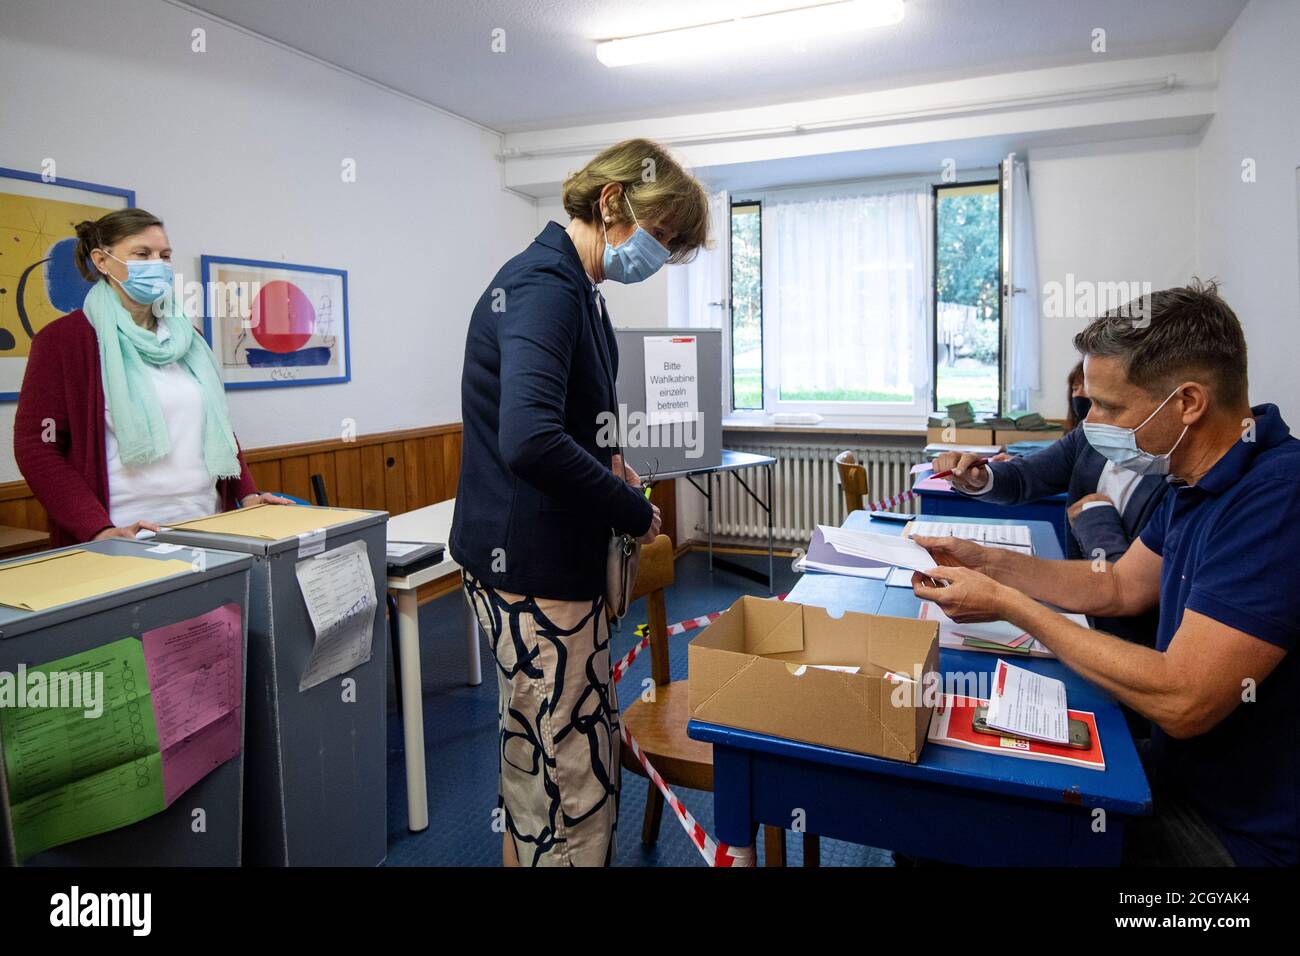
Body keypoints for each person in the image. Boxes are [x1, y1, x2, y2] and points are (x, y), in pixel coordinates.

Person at [912, 280, 1299, 866]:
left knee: (956, 833)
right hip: (1175, 778)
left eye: (1110, 407)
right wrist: (986, 561)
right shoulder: (1195, 477)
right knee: (945, 812)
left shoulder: (1277, 497)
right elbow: (1118, 585)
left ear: (1188, 402)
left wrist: (1012, 605)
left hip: (1237, 840)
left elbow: (1184, 698)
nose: (1090, 421)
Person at [451, 138, 709, 867]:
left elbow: (564, 421)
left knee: (540, 749)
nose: (659, 255)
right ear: (611, 202)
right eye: (660, 237)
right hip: (532, 568)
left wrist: (612, 465)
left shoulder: (578, 289)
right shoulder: (545, 286)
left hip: (548, 561)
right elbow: (529, 439)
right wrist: (630, 509)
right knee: (569, 768)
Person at [14, 208, 285, 545]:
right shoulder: (64, 341)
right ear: (102, 261)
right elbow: (38, 449)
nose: (158, 263)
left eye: (165, 255)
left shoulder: (189, 339)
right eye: (142, 254)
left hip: (208, 524)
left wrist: (248, 497)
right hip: (123, 534)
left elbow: (219, 429)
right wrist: (96, 528)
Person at [932, 363, 1169, 647]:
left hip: (1131, 643)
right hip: (1080, 617)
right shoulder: (1092, 434)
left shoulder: (1180, 476)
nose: (1089, 417)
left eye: (1107, 404)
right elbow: (1028, 475)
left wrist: (1095, 517)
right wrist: (980, 478)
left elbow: (1126, 584)